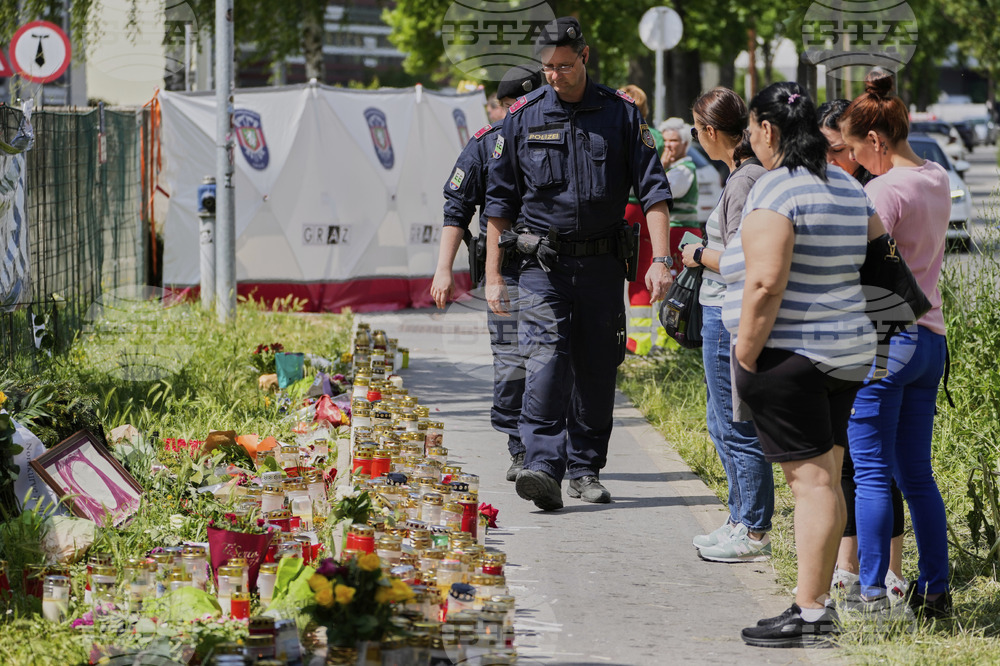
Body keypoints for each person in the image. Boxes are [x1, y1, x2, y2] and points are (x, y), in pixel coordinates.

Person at [484, 16, 672, 510]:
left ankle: (585, 467)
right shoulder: (521, 117)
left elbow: (654, 191)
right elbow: (499, 205)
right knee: (545, 362)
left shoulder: (622, 115)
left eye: (564, 66)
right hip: (539, 267)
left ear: (584, 57)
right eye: (547, 68)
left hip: (602, 267)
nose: (555, 76)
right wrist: (491, 278)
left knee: (595, 367)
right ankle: (543, 465)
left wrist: (662, 260)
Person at [722, 81, 880, 647]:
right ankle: (819, 601)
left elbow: (764, 283)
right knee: (830, 477)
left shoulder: (776, 190)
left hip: (791, 354)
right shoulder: (849, 186)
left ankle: (810, 610)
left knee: (811, 485)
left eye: (752, 131)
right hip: (848, 351)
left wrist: (745, 351)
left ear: (767, 130)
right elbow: (883, 266)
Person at [839, 69, 952, 618]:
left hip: (885, 343)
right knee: (917, 474)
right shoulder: (934, 177)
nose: (858, 161)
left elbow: (859, 271)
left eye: (859, 151)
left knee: (870, 473)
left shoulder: (882, 190)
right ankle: (936, 590)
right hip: (930, 341)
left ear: (877, 141)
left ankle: (872, 596)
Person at [431, 65, 544, 482]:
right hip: (506, 273)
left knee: (552, 362)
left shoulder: (559, 139)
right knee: (513, 362)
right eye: (517, 105)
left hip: (555, 269)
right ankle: (519, 447)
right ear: (502, 108)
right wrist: (444, 269)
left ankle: (549, 449)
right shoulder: (485, 145)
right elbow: (456, 208)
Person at [817, 98, 908, 598]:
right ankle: (850, 566)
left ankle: (889, 575)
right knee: (849, 463)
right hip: (844, 337)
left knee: (877, 465)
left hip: (875, 339)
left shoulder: (871, 194)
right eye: (826, 150)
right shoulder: (840, 189)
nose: (832, 158)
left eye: (838, 148)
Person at [681, 87, 773, 563]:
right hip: (721, 311)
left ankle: (754, 530)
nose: (697, 138)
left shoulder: (744, 181)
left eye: (697, 130)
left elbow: (744, 258)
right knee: (721, 423)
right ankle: (739, 518)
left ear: (711, 131)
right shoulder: (738, 175)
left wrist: (697, 255)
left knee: (738, 426)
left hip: (729, 313)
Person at [621, 85, 668, 356]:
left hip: (621, 209)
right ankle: (642, 343)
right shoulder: (654, 136)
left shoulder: (610, 131)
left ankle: (629, 340)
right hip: (645, 211)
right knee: (641, 276)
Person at [658, 117, 702, 269]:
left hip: (681, 232)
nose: (668, 145)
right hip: (674, 231)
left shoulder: (684, 169)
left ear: (685, 143)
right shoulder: (674, 168)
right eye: (665, 140)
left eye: (673, 140)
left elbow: (661, 192)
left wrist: (661, 167)